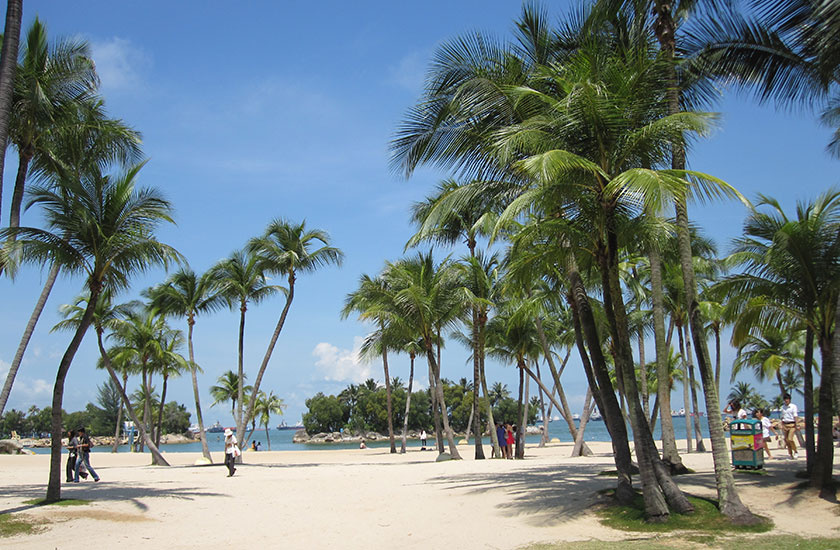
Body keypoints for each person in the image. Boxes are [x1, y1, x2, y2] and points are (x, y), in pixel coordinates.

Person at [780, 393, 799, 459]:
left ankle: (795, 451)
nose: (786, 400)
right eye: (785, 399)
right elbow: (782, 417)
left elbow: (795, 416)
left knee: (790, 439)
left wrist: (797, 425)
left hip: (792, 424)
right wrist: (782, 425)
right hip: (785, 424)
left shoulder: (793, 406)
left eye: (787, 399)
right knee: (786, 440)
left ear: (790, 399)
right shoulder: (782, 407)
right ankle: (790, 454)